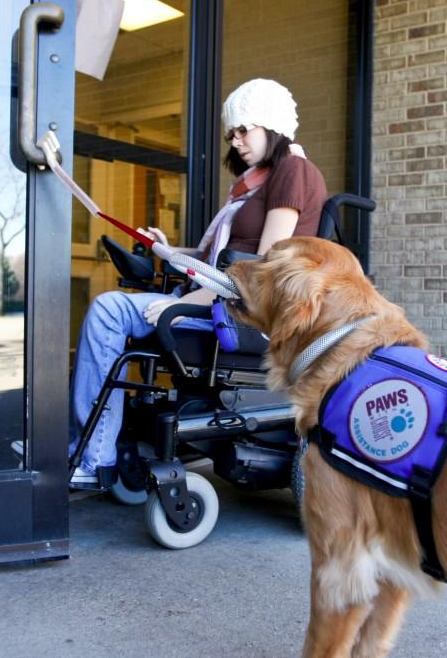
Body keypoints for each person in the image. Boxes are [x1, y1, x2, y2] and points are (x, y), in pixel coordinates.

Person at [63, 78, 327, 488]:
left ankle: (95, 458)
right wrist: (170, 250)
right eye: (231, 134)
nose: (235, 141)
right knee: (112, 310)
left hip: (243, 315)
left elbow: (259, 267)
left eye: (243, 130)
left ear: (270, 124)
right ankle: (93, 450)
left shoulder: (295, 170)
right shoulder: (254, 185)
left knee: (109, 311)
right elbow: (225, 255)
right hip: (219, 299)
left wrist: (187, 301)